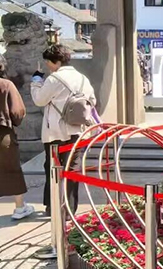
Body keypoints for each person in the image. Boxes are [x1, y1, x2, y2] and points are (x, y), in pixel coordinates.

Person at [31, 44, 96, 215]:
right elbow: (92, 100)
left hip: (55, 133)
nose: (47, 66)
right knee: (72, 170)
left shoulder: (54, 79)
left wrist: (36, 82)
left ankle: (52, 206)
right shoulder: (83, 78)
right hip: (78, 131)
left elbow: (39, 100)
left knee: (52, 168)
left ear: (56, 62)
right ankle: (69, 209)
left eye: (48, 62)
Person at [0, 58, 33, 220]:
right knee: (12, 169)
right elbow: (17, 112)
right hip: (3, 134)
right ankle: (20, 208)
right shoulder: (6, 85)